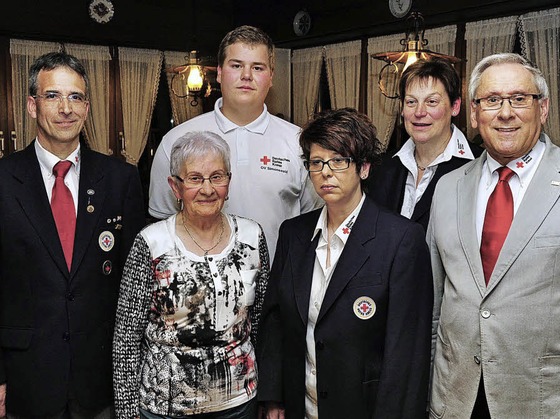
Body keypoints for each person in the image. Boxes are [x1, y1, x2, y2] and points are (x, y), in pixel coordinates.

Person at [427, 53, 560, 418]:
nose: (505, 112)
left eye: (519, 98)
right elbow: (434, 307)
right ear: (475, 114)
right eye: (492, 100)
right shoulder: (447, 188)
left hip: (547, 404)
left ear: (542, 109)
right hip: (456, 400)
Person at [258, 108, 432, 419]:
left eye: (339, 161)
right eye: (316, 162)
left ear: (364, 168)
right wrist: (274, 398)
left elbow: (406, 353)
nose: (326, 172)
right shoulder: (294, 235)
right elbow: (275, 323)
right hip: (303, 406)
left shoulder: (400, 239)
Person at [0, 51, 145, 417]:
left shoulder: (120, 180)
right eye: (52, 96)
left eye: (76, 97)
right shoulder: (3, 181)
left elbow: (136, 286)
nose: (65, 108)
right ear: (32, 106)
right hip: (25, 380)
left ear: (87, 107)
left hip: (101, 380)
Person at [113, 131, 269, 418]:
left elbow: (259, 320)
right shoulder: (152, 243)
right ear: (175, 187)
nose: (207, 189)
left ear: (228, 182)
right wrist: (127, 412)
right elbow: (126, 337)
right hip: (166, 406)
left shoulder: (252, 236)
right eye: (195, 178)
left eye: (217, 177)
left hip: (238, 402)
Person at [149, 25, 321, 259]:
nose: (246, 76)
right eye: (236, 65)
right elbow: (162, 225)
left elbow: (311, 224)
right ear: (219, 73)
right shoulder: (177, 141)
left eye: (257, 67)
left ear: (271, 77)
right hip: (199, 289)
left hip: (277, 287)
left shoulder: (299, 142)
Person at [368, 58, 482, 230]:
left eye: (431, 102)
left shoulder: (479, 166)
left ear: (455, 106)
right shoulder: (382, 166)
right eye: (411, 102)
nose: (419, 112)